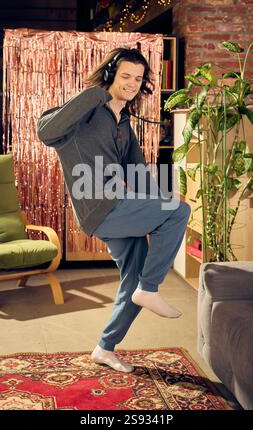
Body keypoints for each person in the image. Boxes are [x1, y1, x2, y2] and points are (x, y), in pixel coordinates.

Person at [37, 47, 190, 373]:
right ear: (109, 75)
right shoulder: (86, 114)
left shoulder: (124, 122)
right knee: (178, 212)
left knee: (135, 281)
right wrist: (94, 94)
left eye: (138, 78)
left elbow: (138, 173)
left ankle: (105, 347)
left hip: (120, 206)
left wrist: (158, 200)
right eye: (125, 76)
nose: (133, 83)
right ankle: (150, 289)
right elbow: (46, 132)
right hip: (99, 208)